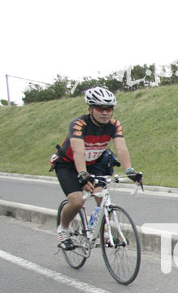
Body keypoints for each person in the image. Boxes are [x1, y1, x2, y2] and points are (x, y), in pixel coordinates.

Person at [52, 86, 142, 249]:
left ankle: (103, 232)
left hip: (94, 163)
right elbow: (78, 151)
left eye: (109, 109)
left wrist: (130, 171)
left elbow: (121, 148)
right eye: (100, 108)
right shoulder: (79, 124)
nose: (105, 113)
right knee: (77, 201)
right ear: (90, 109)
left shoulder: (114, 125)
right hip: (68, 164)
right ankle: (63, 229)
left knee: (102, 197)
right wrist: (82, 174)